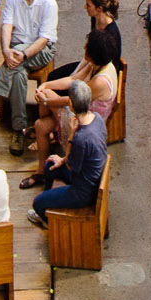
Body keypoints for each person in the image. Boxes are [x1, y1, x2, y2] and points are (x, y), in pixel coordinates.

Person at [25, 25, 119, 179]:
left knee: (46, 96)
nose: (83, 47)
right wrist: (46, 85)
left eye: (87, 46)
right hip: (79, 109)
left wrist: (47, 100)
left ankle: (53, 135)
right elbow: (73, 79)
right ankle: (41, 171)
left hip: (86, 121)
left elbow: (72, 100)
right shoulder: (95, 64)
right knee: (40, 125)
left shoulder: (100, 81)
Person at [0, 0, 58, 155]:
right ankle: (19, 128)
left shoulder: (49, 4)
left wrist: (21, 54)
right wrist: (6, 50)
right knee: (18, 74)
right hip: (16, 51)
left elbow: (43, 40)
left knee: (17, 59)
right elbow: (6, 25)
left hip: (41, 51)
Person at [30, 79, 108, 226]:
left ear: (71, 104)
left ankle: (48, 221)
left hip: (83, 191)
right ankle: (50, 201)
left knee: (37, 203)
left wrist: (71, 135)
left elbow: (72, 166)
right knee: (50, 166)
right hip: (90, 175)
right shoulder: (97, 119)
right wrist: (62, 159)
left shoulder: (80, 138)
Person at [87, 0, 123, 69]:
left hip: (104, 69)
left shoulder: (111, 33)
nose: (85, 7)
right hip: (93, 62)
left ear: (99, 8)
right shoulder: (94, 18)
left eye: (88, 5)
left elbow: (107, 63)